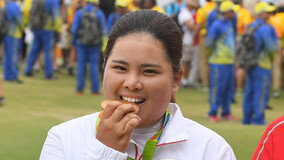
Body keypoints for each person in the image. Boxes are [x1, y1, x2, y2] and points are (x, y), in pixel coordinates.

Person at [40, 9, 236, 159]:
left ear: (176, 80)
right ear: (104, 67)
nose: (132, 83)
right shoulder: (63, 138)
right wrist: (105, 151)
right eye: (120, 68)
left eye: (149, 71)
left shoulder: (212, 150)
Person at [242, 2, 278, 125]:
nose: (270, 14)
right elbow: (271, 48)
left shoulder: (252, 26)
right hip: (263, 65)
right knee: (261, 92)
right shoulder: (267, 28)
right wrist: (273, 58)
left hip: (250, 63)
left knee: (249, 91)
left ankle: (246, 118)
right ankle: (258, 119)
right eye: (268, 12)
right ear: (262, 13)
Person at [205, 0, 238, 122]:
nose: (234, 13)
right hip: (218, 62)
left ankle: (226, 112)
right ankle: (213, 113)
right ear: (226, 12)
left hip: (229, 62)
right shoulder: (217, 25)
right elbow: (209, 43)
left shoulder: (230, 23)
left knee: (229, 88)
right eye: (232, 11)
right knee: (217, 88)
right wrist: (212, 57)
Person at [71, 0, 107, 95]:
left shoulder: (80, 12)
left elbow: (74, 28)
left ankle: (79, 89)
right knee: (93, 65)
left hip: (81, 42)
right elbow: (104, 29)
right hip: (94, 43)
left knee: (81, 65)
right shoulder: (99, 13)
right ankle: (95, 89)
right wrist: (103, 44)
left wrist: (74, 41)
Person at [24, 0, 62, 79]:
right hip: (48, 28)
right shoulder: (53, 1)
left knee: (34, 49)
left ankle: (28, 70)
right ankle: (49, 73)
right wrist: (58, 29)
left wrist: (31, 25)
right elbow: (56, 15)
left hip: (36, 27)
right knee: (48, 51)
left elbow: (31, 11)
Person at [178, 0, 199, 87]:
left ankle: (186, 79)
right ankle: (184, 80)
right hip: (186, 40)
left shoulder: (188, 12)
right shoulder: (185, 13)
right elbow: (191, 27)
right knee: (185, 61)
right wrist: (199, 25)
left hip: (189, 41)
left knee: (188, 61)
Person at [196, 0, 216, 91]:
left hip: (205, 36)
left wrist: (194, 34)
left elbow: (199, 25)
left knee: (204, 61)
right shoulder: (216, 8)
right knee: (214, 60)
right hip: (216, 37)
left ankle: (205, 84)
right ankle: (214, 83)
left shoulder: (202, 10)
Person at [3, 0, 24, 83]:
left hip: (6, 33)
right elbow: (19, 20)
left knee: (7, 55)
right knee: (14, 55)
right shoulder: (14, 6)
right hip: (14, 33)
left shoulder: (6, 5)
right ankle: (13, 76)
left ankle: (7, 75)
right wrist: (23, 29)